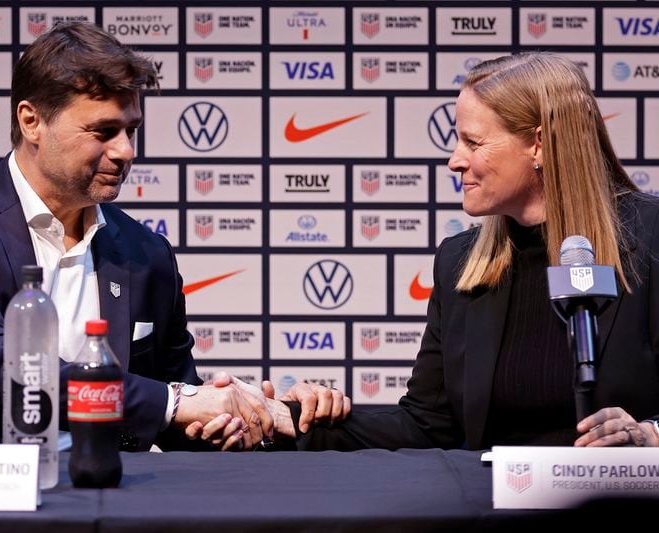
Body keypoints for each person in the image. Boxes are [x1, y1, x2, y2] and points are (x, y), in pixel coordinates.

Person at [0, 22, 348, 449]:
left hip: (99, 497)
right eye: (103, 130)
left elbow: (169, 409)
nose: (126, 151)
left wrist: (246, 417)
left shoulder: (146, 253)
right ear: (31, 120)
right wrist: (177, 402)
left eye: (131, 129)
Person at [208, 52, 659, 450]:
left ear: (538, 143)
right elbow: (427, 424)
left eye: (473, 141)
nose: (455, 160)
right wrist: (295, 418)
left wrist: (651, 434)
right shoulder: (460, 262)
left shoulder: (652, 238)